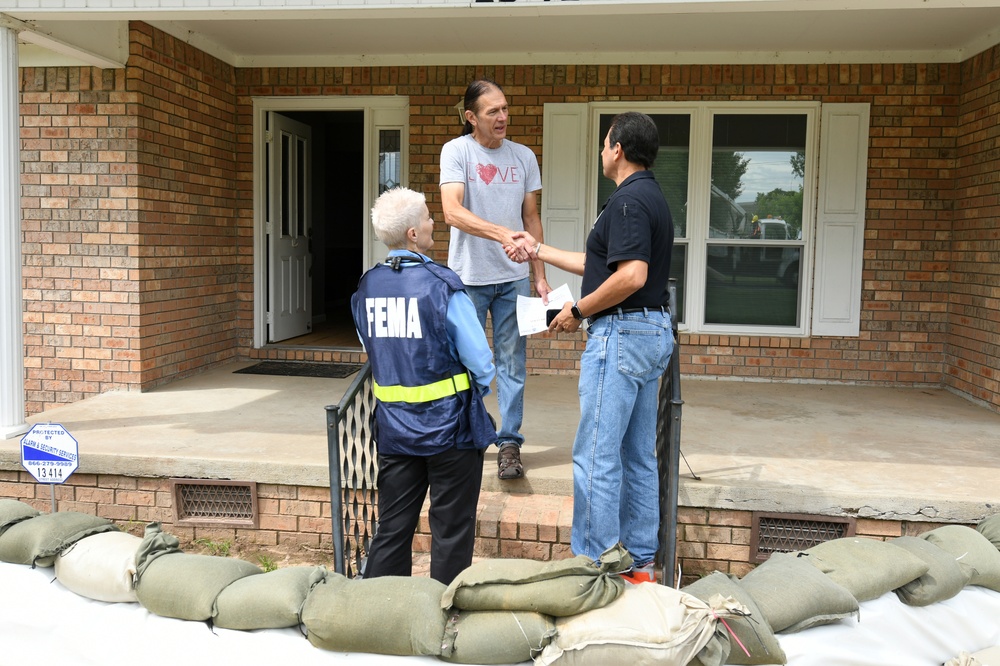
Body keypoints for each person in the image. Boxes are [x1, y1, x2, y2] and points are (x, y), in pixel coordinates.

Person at [507, 112, 674, 583]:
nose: (602, 151)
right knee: (638, 456)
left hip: (620, 334)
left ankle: (595, 565)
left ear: (617, 148)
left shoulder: (627, 203)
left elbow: (631, 276)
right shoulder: (650, 196)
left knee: (596, 455)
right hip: (650, 332)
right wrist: (537, 250)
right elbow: (599, 264)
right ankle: (639, 565)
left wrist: (578, 312)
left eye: (605, 144)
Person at [350, 187, 497, 586]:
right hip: (451, 431)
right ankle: (442, 617)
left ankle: (378, 608)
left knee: (393, 526)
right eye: (429, 218)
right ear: (413, 233)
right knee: (450, 531)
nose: (434, 223)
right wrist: (476, 391)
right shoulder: (441, 285)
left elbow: (373, 347)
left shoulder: (367, 287)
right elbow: (481, 363)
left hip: (395, 430)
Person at [439, 78, 552, 480]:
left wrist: (539, 275)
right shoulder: (456, 152)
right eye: (493, 111)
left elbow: (531, 218)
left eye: (505, 108)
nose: (503, 117)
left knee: (512, 363)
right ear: (471, 117)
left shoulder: (523, 156)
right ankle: (465, 436)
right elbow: (451, 211)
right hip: (467, 278)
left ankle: (508, 443)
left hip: (514, 279)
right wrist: (502, 234)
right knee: (464, 362)